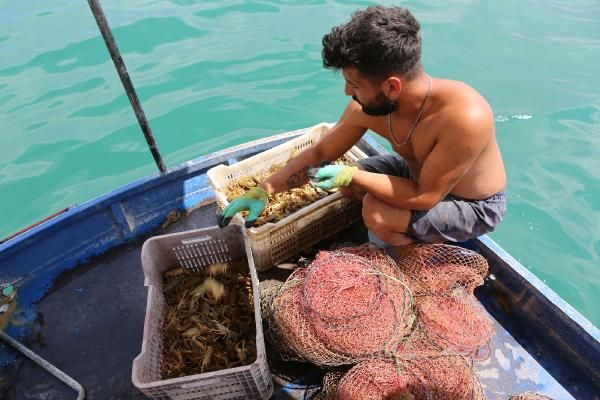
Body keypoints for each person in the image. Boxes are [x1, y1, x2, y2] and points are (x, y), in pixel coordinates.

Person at [218, 5, 507, 246]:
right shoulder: (367, 105)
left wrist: (350, 175)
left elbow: (423, 197)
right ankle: (405, 233)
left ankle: (411, 265)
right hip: (416, 175)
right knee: (348, 186)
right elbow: (319, 155)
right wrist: (265, 189)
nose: (347, 92)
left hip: (473, 204)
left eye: (354, 84)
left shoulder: (466, 117)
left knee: (376, 212)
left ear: (392, 86)